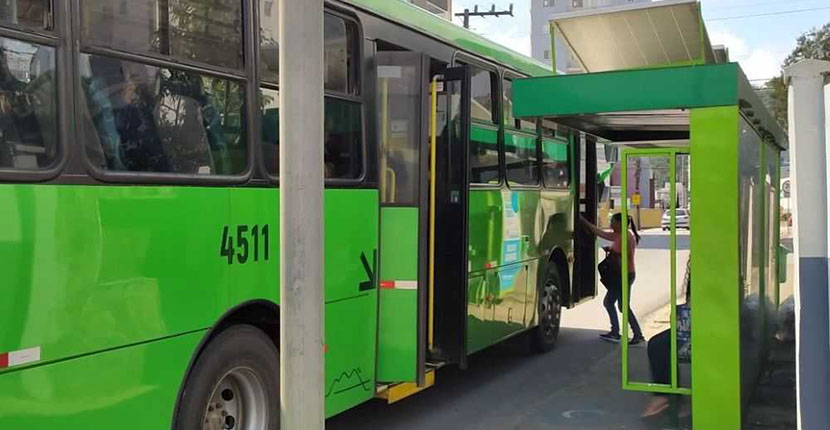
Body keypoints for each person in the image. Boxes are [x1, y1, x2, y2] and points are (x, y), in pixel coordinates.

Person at [580, 213, 645, 345]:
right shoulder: (622, 235)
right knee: (615, 304)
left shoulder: (624, 237)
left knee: (617, 305)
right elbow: (600, 233)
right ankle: (620, 332)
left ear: (619, 224)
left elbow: (623, 257)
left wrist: (613, 253)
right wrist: (583, 221)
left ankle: (633, 334)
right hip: (624, 274)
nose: (610, 224)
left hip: (623, 275)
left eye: (612, 222)